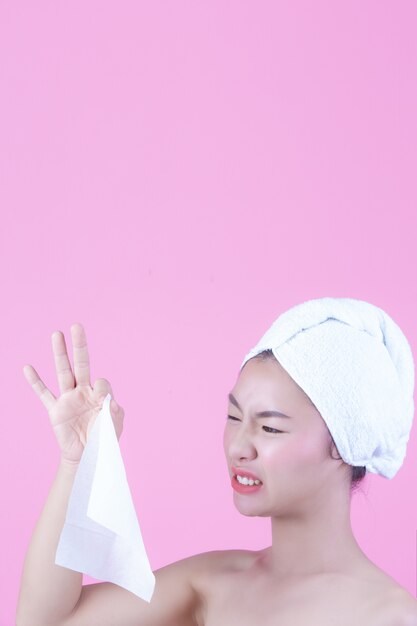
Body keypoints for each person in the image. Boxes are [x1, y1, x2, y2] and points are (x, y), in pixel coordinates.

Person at [16, 318, 417, 626]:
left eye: (270, 427)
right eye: (233, 416)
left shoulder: (391, 616)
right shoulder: (214, 581)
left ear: (346, 445)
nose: (238, 446)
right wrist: (80, 462)